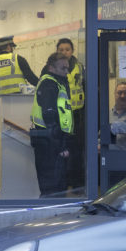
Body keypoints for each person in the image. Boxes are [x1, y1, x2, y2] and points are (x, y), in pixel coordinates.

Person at [42, 38, 85, 190]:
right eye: (61, 49)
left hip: (77, 113)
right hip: (59, 114)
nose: (64, 52)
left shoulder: (79, 66)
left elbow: (85, 87)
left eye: (67, 49)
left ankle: (77, 182)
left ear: (72, 51)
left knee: (76, 150)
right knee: (61, 149)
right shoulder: (50, 68)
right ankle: (63, 182)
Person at [30, 52, 73, 197]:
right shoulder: (49, 84)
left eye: (68, 68)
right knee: (52, 189)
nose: (67, 72)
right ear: (51, 68)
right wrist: (61, 147)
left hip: (51, 142)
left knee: (57, 187)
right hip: (49, 143)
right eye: (63, 68)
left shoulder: (56, 83)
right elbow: (50, 119)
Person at [0, 35, 39, 130]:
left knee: (1, 134)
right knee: (19, 132)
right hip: (18, 103)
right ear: (9, 47)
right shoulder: (18, 59)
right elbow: (32, 79)